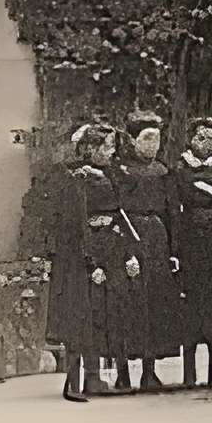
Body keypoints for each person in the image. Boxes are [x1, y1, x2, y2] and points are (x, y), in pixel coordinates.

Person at [54, 122, 140, 403]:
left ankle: (93, 378)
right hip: (80, 258)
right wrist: (92, 264)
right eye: (107, 147)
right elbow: (77, 226)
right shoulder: (77, 181)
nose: (112, 152)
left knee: (100, 315)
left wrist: (125, 253)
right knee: (81, 316)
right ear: (90, 149)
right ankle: (73, 383)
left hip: (106, 251)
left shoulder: (107, 176)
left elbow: (118, 218)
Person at [115, 112, 183, 394]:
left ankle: (149, 370)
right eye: (146, 139)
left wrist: (173, 250)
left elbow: (172, 214)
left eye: (157, 139)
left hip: (156, 240)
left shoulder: (163, 172)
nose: (152, 145)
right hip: (128, 239)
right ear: (132, 140)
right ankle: (121, 372)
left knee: (154, 304)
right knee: (126, 304)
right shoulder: (119, 171)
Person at [175, 116, 212, 390]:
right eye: (201, 137)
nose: (205, 144)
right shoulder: (182, 168)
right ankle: (188, 371)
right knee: (189, 307)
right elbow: (181, 197)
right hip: (190, 242)